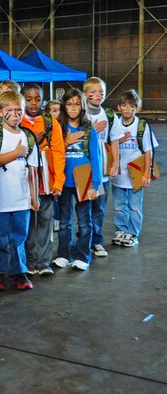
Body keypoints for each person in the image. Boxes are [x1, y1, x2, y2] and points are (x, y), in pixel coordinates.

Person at [0, 91, 39, 291]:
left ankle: (19, 271)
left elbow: (32, 169)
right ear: (0, 112)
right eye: (10, 110)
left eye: (19, 110)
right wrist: (16, 153)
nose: (15, 114)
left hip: (21, 199)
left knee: (19, 237)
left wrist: (34, 197)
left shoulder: (28, 137)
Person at [53, 88, 102, 272]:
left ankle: (82, 256)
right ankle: (64, 255)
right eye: (69, 104)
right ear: (64, 106)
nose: (73, 108)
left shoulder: (89, 130)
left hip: (84, 181)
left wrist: (95, 185)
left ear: (82, 105)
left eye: (76, 104)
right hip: (64, 181)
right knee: (64, 221)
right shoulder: (58, 128)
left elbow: (96, 159)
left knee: (84, 221)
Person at [20, 83, 65, 276]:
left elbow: (58, 152)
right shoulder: (17, 120)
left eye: (37, 99)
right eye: (28, 99)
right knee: (27, 223)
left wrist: (58, 182)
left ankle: (44, 261)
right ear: (22, 99)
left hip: (46, 181)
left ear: (43, 100)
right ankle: (29, 262)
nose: (33, 103)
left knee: (45, 221)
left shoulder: (50, 122)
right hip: (23, 182)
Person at [110, 89, 159, 247]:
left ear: (137, 108)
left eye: (131, 106)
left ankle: (132, 233)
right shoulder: (115, 124)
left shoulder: (141, 125)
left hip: (136, 175)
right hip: (118, 175)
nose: (127, 109)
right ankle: (121, 230)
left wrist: (146, 174)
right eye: (124, 105)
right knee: (119, 206)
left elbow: (148, 151)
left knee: (135, 207)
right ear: (119, 107)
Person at [83, 77, 121, 257]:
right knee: (83, 209)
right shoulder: (81, 113)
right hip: (84, 170)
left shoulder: (110, 115)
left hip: (103, 170)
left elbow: (114, 140)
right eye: (93, 92)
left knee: (99, 208)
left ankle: (96, 241)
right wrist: (92, 130)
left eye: (101, 92)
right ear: (85, 94)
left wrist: (115, 163)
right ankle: (83, 241)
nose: (98, 95)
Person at [43, 99, 62, 232]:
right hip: (49, 169)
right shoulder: (47, 127)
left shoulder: (64, 126)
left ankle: (58, 218)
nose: (57, 113)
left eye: (59, 110)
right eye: (54, 111)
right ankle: (55, 219)